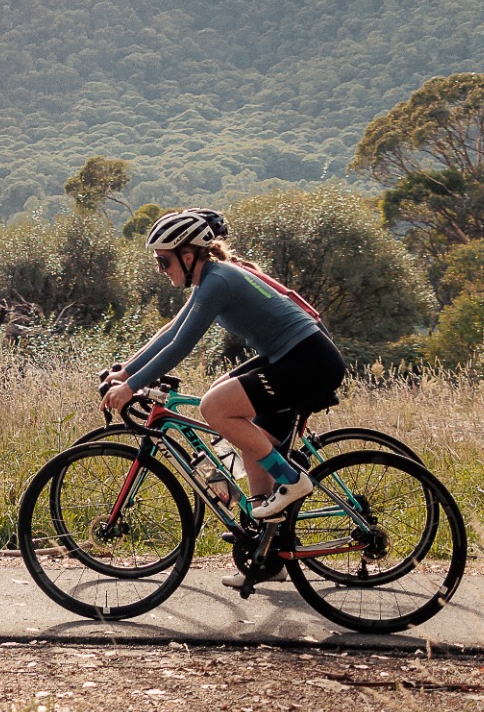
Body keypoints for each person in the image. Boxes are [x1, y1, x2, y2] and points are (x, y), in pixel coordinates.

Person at [99, 208, 346, 589]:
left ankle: (291, 480)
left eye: (163, 261)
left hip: (308, 360)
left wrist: (130, 389)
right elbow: (171, 331)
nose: (161, 270)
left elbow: (182, 344)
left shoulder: (219, 281)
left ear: (188, 255)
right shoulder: (211, 279)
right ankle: (268, 554)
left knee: (215, 407)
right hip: (293, 357)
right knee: (242, 426)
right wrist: (128, 371)